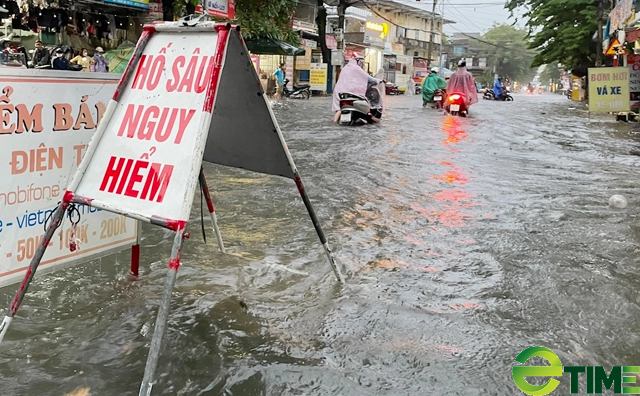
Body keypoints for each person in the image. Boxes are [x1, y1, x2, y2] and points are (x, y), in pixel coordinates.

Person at [332, 53, 383, 123]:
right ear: (358, 61)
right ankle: (369, 115)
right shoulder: (356, 68)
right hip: (351, 92)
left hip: (340, 93)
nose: (362, 64)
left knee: (339, 109)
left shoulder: (346, 68)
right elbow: (367, 78)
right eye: (361, 62)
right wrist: (379, 81)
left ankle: (334, 122)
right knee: (366, 103)